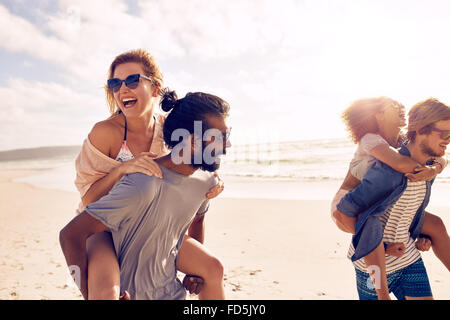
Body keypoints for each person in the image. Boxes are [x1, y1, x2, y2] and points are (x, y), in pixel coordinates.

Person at [74, 49, 225, 299]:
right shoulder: (105, 133)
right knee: (106, 292)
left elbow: (203, 155)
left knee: (213, 269)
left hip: (149, 225)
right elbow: (89, 201)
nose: (122, 89)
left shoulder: (170, 129)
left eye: (132, 80)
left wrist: (216, 179)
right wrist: (123, 169)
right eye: (115, 83)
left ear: (155, 89)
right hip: (103, 228)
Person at [331, 97, 449, 299]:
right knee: (369, 223)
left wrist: (419, 236)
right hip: (372, 271)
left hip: (408, 261)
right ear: (421, 130)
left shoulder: (425, 167)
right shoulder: (385, 170)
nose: (448, 139)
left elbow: (409, 211)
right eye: (445, 133)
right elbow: (344, 215)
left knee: (435, 224)